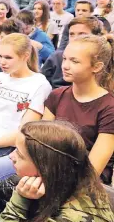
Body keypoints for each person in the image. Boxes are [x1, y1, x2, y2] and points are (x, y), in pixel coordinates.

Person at [0, 121, 114, 222]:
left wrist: (19, 202)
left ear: (45, 169)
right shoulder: (70, 184)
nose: (11, 156)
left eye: (20, 155)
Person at [0, 33, 52, 184]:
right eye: (0, 56)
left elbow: (24, 132)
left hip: (4, 146)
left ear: (25, 56)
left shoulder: (39, 84)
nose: (2, 62)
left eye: (8, 57)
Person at [43, 35, 114, 185]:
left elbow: (94, 168)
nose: (65, 66)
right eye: (65, 59)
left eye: (74, 61)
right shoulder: (57, 95)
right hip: (52, 170)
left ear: (97, 67)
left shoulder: (109, 107)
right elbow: (42, 143)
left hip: (87, 182)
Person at [42, 16, 103, 89]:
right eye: (71, 34)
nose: (75, 38)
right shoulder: (56, 57)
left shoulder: (103, 59)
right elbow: (42, 82)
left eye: (82, 34)